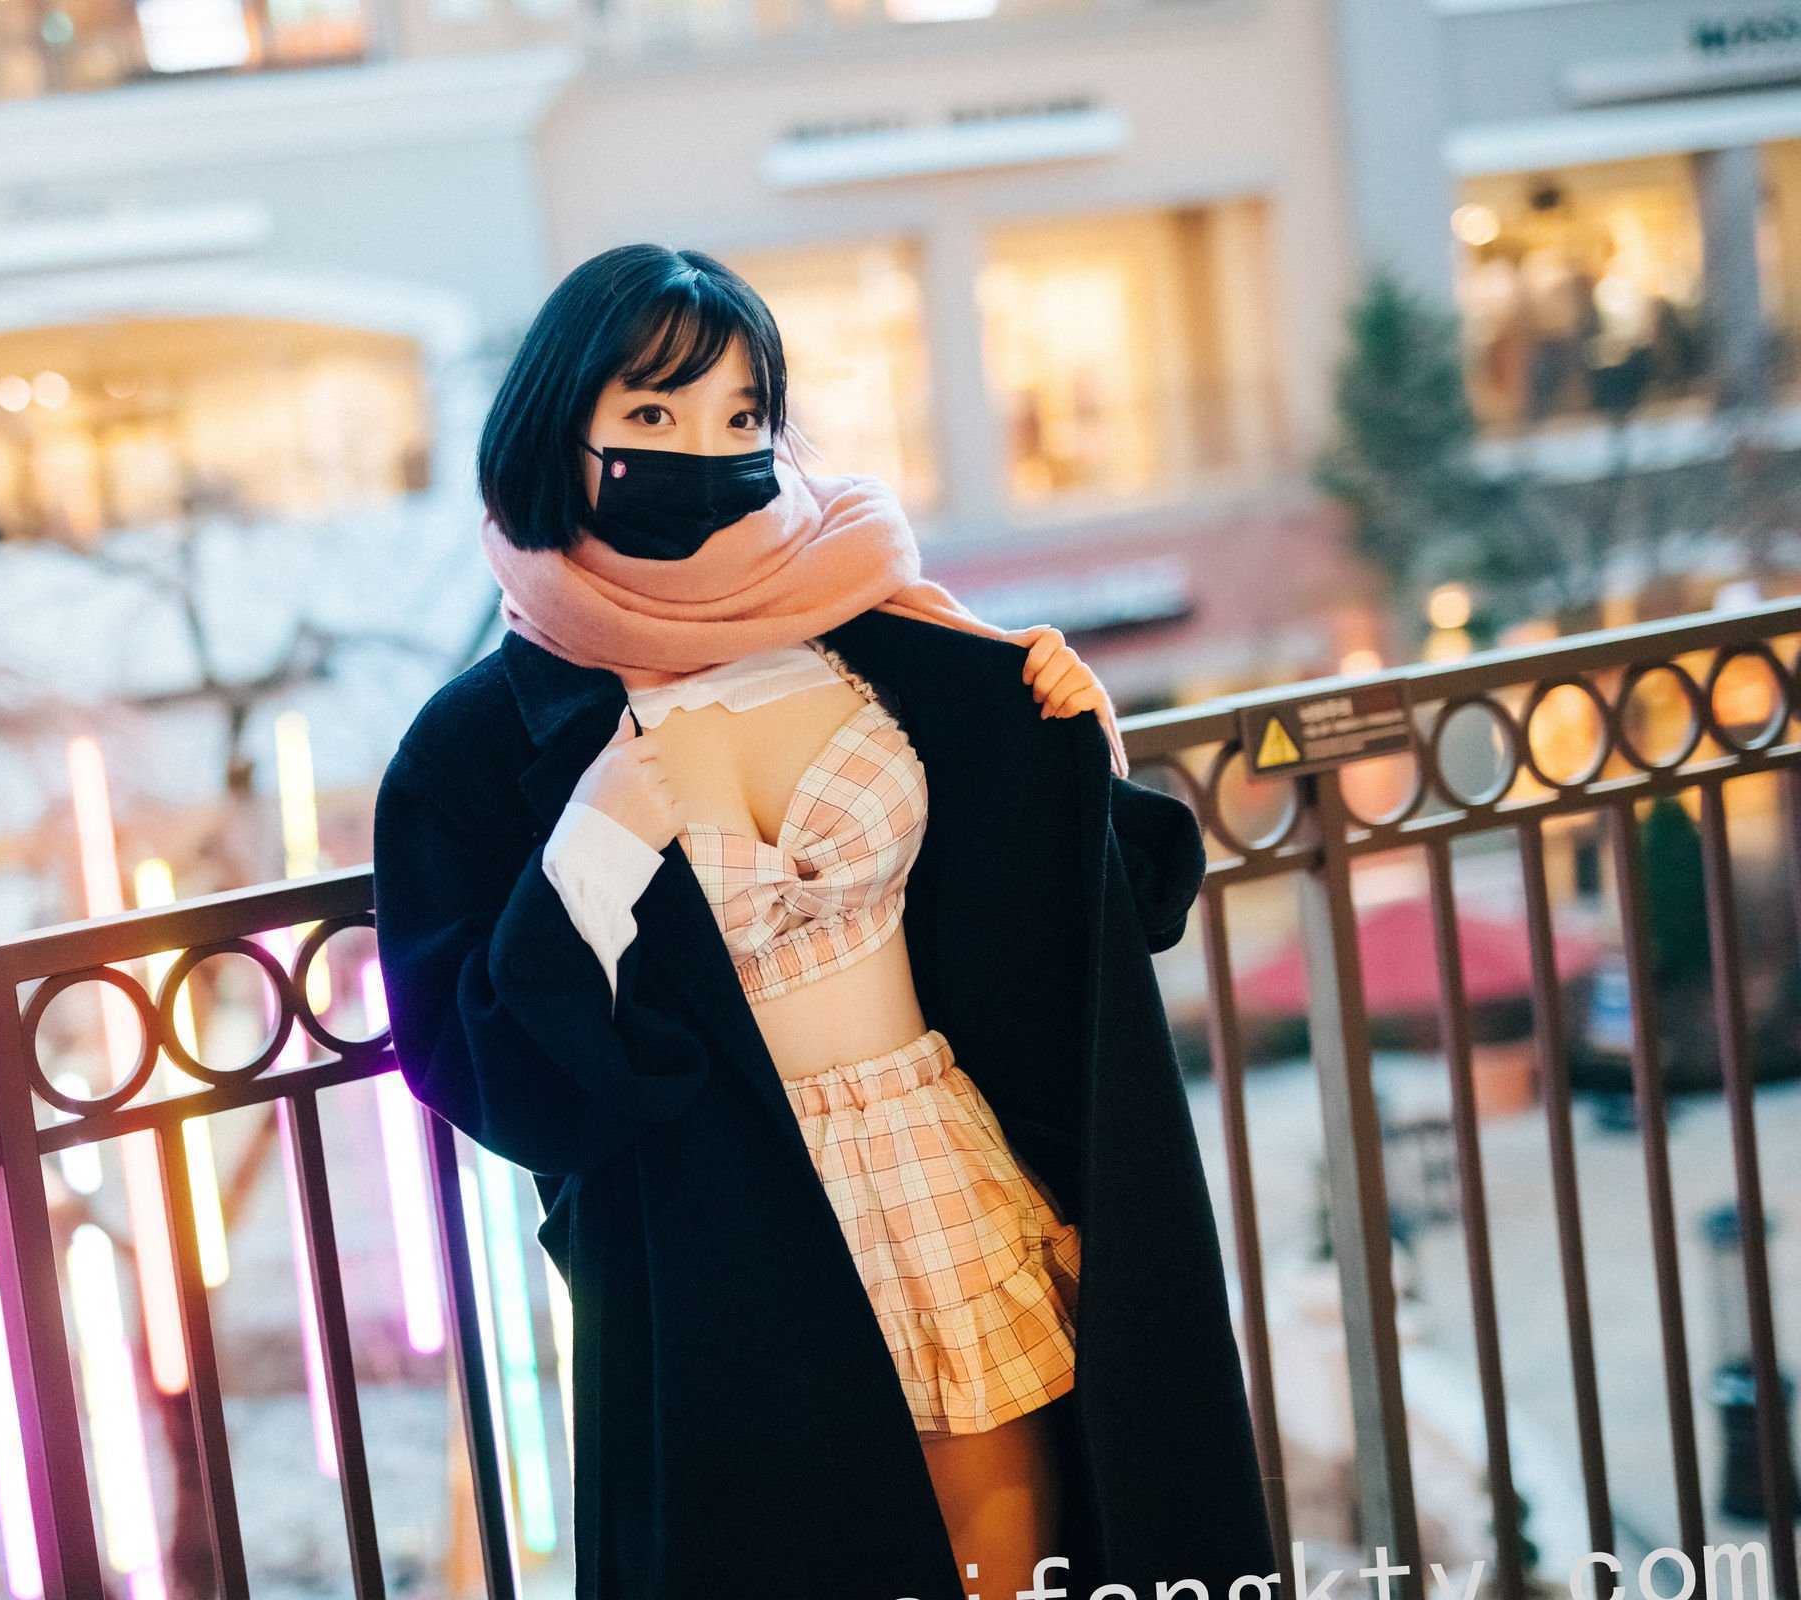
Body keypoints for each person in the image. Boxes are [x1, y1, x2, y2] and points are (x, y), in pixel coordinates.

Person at [373, 244, 1277, 1600]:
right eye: (654, 413)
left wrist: (1074, 751)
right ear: (559, 430)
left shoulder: (869, 624)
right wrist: (595, 845)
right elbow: (480, 1068)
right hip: (717, 1240)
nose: (707, 449)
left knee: (1019, 1557)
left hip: (937, 1163)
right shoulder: (481, 742)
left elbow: (1104, 917)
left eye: (741, 413)